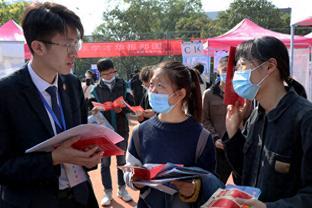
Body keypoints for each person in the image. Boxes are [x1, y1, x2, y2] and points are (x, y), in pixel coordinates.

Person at [0, 2, 101, 208]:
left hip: (80, 197)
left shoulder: (72, 84)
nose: (74, 53)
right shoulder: (6, 93)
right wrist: (53, 158)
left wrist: (90, 157)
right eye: (67, 45)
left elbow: (81, 136)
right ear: (38, 47)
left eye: (76, 44)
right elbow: (3, 167)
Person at [223, 36, 312, 208]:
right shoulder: (256, 116)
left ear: (270, 66)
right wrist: (233, 133)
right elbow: (244, 175)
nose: (237, 74)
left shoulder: (305, 119)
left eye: (242, 66)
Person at [124, 61, 223, 207]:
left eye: (160, 86)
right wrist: (134, 180)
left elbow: (210, 183)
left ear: (180, 94)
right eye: (151, 84)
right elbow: (129, 169)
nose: (152, 90)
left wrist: (193, 189)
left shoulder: (201, 136)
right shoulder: (140, 132)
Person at [91, 58, 134, 206]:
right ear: (100, 74)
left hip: (121, 129)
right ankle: (107, 192)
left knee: (122, 161)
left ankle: (122, 189)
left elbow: (132, 104)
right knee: (105, 163)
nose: (110, 76)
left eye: (112, 72)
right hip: (103, 132)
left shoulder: (124, 84)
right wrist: (95, 110)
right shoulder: (95, 89)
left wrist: (123, 108)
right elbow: (89, 109)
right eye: (106, 74)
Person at [202, 56, 232, 184]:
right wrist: (215, 138)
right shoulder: (209, 94)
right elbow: (204, 120)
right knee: (217, 184)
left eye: (231, 70)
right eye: (224, 69)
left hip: (238, 147)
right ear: (218, 71)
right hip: (218, 148)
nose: (228, 73)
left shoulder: (242, 93)